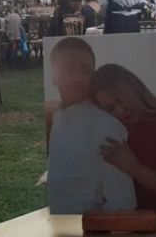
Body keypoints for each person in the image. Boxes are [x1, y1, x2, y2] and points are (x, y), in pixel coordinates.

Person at [48, 38, 137, 214]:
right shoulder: (57, 117)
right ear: (53, 76)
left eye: (86, 70)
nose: (78, 78)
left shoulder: (106, 126)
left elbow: (123, 204)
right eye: (68, 69)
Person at [91, 64, 156, 215]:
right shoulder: (112, 134)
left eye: (121, 99)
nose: (121, 110)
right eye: (110, 109)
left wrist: (135, 168)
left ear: (133, 89)